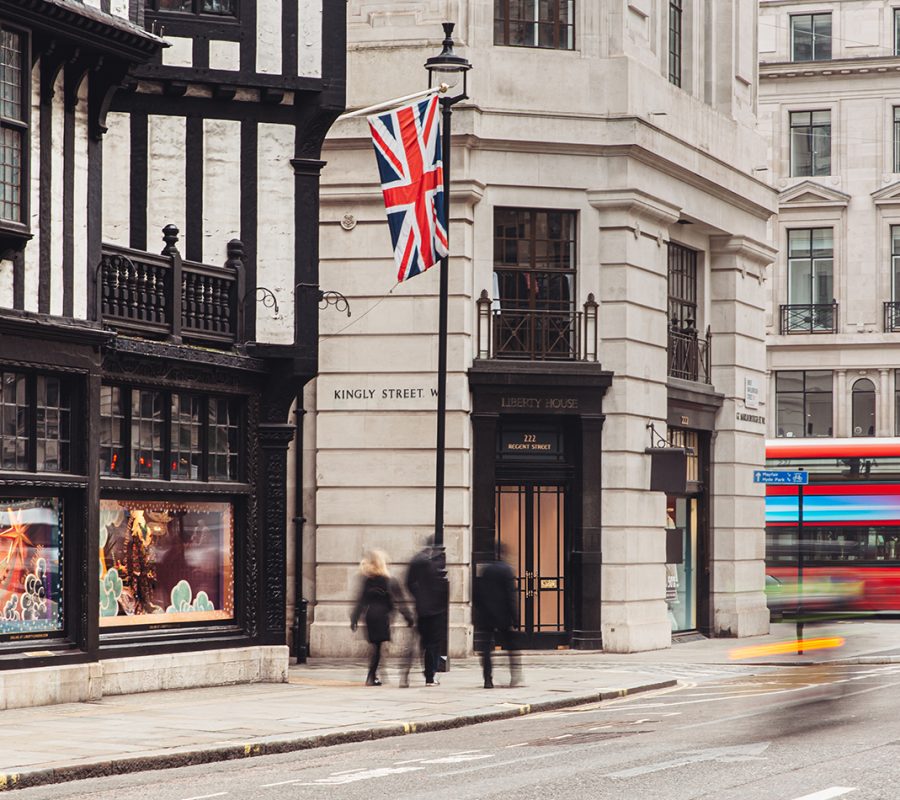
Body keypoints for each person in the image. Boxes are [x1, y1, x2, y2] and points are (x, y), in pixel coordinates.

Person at [350, 550, 412, 686]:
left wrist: (354, 618)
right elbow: (399, 601)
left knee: (376, 646)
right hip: (382, 617)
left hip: (370, 616)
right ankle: (371, 676)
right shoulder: (389, 581)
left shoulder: (368, 581)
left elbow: (361, 600)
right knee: (378, 648)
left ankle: (376, 674)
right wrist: (408, 617)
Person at [474, 545, 521, 689]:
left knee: (487, 649)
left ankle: (487, 680)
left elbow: (477, 594)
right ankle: (515, 676)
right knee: (511, 647)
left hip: (487, 615)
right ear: (503, 554)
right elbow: (511, 596)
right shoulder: (507, 570)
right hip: (503, 615)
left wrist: (479, 612)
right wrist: (515, 618)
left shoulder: (486, 570)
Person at [404, 537, 445, 686]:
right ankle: (430, 676)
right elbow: (441, 586)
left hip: (422, 609)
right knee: (432, 644)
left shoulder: (416, 560)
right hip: (434, 610)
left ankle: (406, 674)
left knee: (422, 643)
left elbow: (408, 582)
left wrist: (418, 598)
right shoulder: (433, 562)